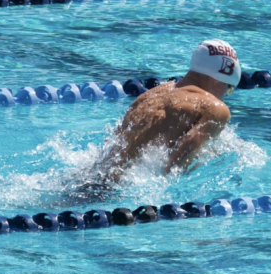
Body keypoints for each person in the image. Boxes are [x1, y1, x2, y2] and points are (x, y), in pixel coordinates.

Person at [97, 39, 241, 184]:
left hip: (98, 176)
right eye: (229, 89)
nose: (225, 96)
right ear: (217, 80)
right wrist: (212, 159)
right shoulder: (215, 108)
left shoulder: (151, 94)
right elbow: (176, 168)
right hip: (121, 189)